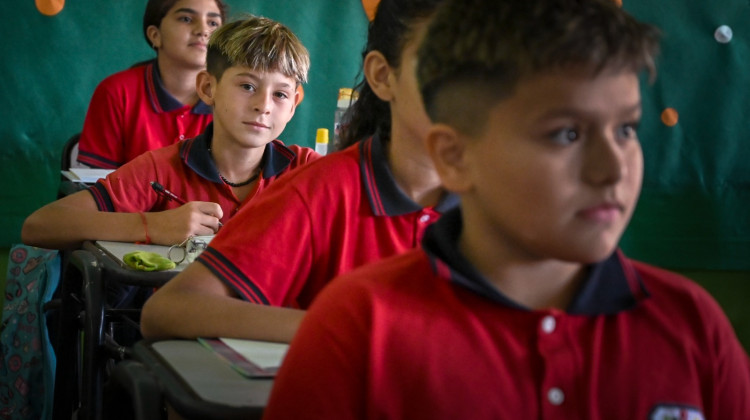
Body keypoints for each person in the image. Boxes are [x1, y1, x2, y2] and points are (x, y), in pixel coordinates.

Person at [264, 0, 750, 418]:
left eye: (626, 129)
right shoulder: (359, 328)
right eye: (567, 134)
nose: (612, 169)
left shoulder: (692, 327)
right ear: (454, 157)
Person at [140, 0, 456, 343]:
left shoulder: (507, 205)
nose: (471, 86)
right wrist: (345, 329)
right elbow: (169, 309)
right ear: (382, 76)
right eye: (443, 61)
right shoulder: (319, 190)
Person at [22, 15, 315, 251]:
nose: (263, 106)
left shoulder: (306, 170)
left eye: (280, 94)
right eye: (247, 86)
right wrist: (152, 226)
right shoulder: (161, 169)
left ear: (293, 106)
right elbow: (40, 226)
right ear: (208, 88)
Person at [76, 0, 227, 169]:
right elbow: (98, 183)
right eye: (186, 19)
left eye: (213, 23)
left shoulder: (232, 98)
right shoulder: (117, 93)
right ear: (155, 35)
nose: (203, 30)